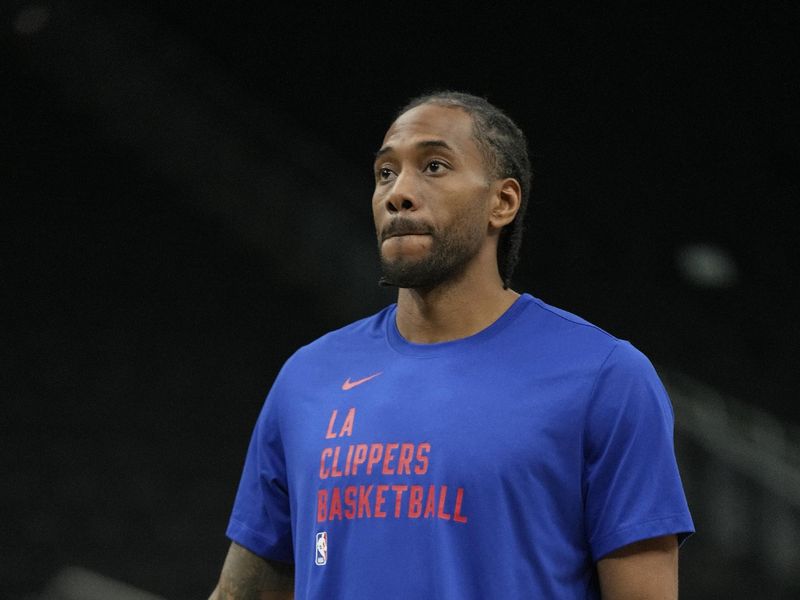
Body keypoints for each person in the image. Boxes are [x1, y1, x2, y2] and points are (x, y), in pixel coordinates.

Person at [209, 91, 694, 599]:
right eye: (385, 173)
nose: (398, 193)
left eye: (434, 166)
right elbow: (244, 590)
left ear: (502, 202)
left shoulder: (605, 377)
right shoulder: (307, 376)